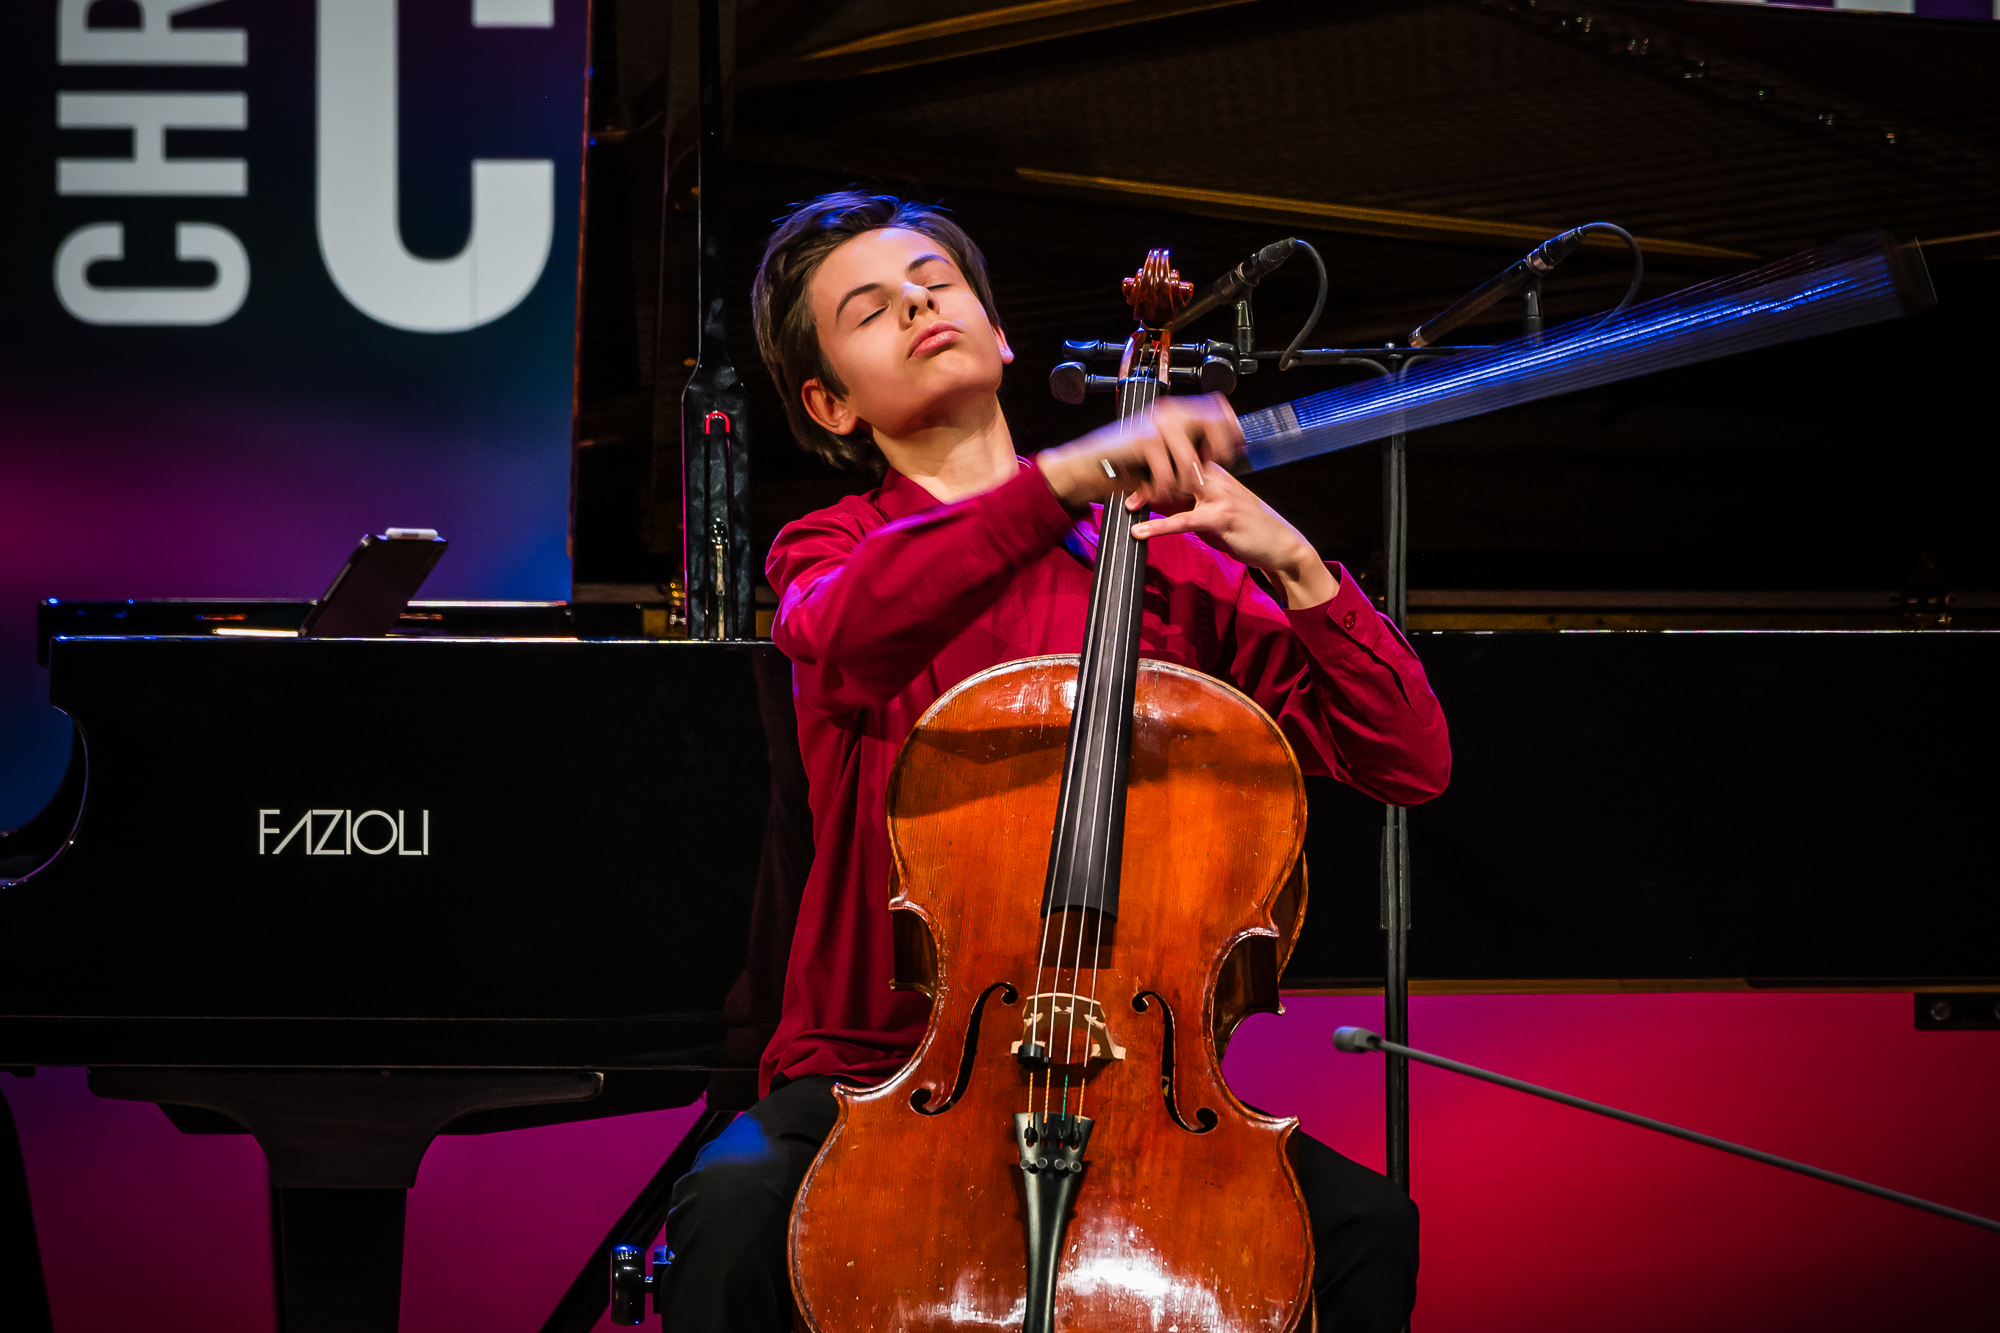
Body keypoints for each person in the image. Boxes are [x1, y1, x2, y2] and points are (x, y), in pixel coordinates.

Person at [662, 191, 1451, 1332]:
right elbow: (845, 634)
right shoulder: (830, 549)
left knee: (1367, 1228)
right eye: (868, 309)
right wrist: (1068, 478)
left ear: (1000, 331)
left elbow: (1403, 759)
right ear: (829, 401)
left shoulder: (1161, 569)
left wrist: (1289, 560)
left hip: (1131, 1086)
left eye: (936, 281)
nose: (919, 304)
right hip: (871, 1075)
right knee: (733, 1206)